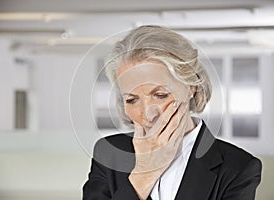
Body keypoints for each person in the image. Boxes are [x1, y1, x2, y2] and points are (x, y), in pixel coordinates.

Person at [82, 25, 262, 200]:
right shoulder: (109, 153)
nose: (148, 114)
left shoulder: (238, 168)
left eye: (160, 95)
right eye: (131, 99)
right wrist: (144, 174)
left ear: (191, 86)